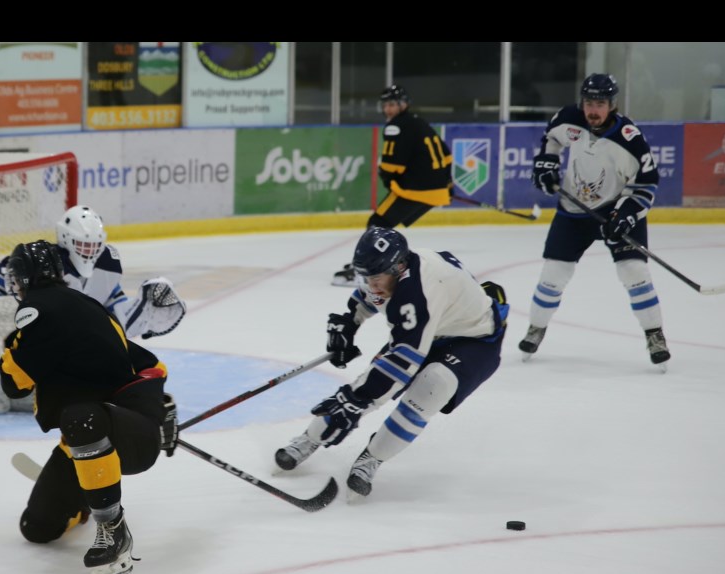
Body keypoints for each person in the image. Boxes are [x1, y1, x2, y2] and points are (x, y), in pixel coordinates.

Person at [0, 240, 178, 574]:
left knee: (80, 417)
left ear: (21, 278)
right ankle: (85, 496)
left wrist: (6, 352)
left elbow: (13, 386)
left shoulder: (37, 310)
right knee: (36, 528)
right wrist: (161, 405)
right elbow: (150, 363)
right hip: (110, 430)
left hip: (125, 432)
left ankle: (113, 529)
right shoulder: (86, 306)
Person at [280, 227, 508, 497]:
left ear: (399, 267)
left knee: (430, 388)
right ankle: (309, 439)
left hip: (475, 340)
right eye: (367, 277)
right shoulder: (391, 273)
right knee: (366, 385)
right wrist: (349, 323)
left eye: (376, 277)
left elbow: (403, 363)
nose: (371, 284)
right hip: (434, 327)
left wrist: (355, 400)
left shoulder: (419, 290)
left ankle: (371, 459)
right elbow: (370, 296)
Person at [0, 205, 186, 413]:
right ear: (65, 239)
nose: (89, 251)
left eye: (94, 245)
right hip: (40, 339)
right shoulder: (46, 264)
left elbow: (114, 318)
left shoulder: (107, 266)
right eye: (83, 244)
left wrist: (139, 313)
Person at [520, 73, 669, 368]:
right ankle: (536, 328)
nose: (592, 110)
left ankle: (655, 335)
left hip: (617, 210)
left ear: (612, 105)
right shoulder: (568, 117)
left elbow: (646, 184)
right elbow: (551, 138)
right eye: (589, 102)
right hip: (573, 212)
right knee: (553, 275)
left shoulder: (630, 139)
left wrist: (625, 216)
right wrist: (547, 163)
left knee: (634, 272)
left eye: (600, 103)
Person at [332, 85, 453, 287]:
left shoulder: (396, 126)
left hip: (414, 189)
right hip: (437, 190)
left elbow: (391, 164)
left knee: (377, 224)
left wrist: (388, 178)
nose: (388, 109)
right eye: (385, 105)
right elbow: (446, 154)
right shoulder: (419, 122)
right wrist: (445, 184)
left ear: (403, 105)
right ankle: (388, 265)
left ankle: (367, 273)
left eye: (392, 105)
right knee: (384, 225)